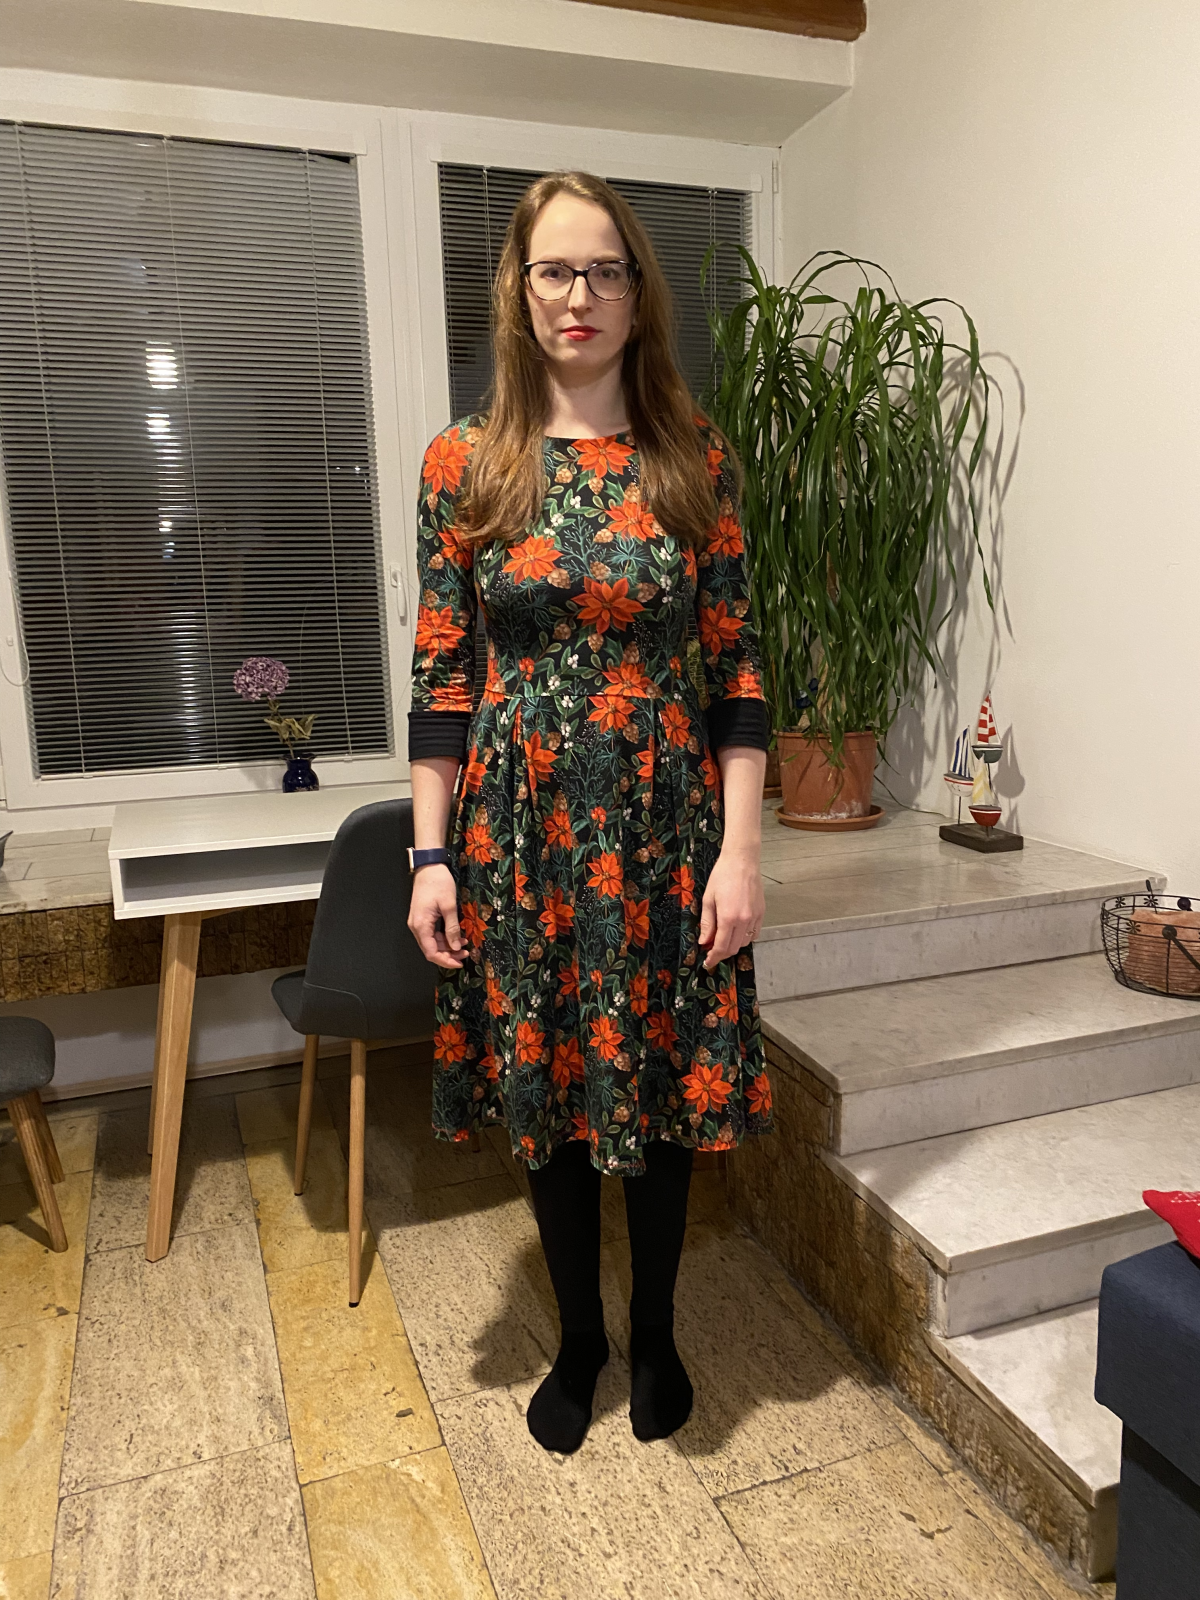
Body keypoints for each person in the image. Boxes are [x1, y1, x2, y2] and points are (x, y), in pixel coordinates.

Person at [406, 170, 773, 1455]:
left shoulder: (693, 456)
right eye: (554, 270)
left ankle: (658, 1332)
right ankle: (579, 1339)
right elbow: (442, 673)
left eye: (604, 270)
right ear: (518, 288)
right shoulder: (466, 462)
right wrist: (429, 854)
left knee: (659, 1085)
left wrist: (742, 852)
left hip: (668, 831)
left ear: (636, 291)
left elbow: (736, 668)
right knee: (547, 1080)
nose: (580, 295)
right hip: (519, 834)